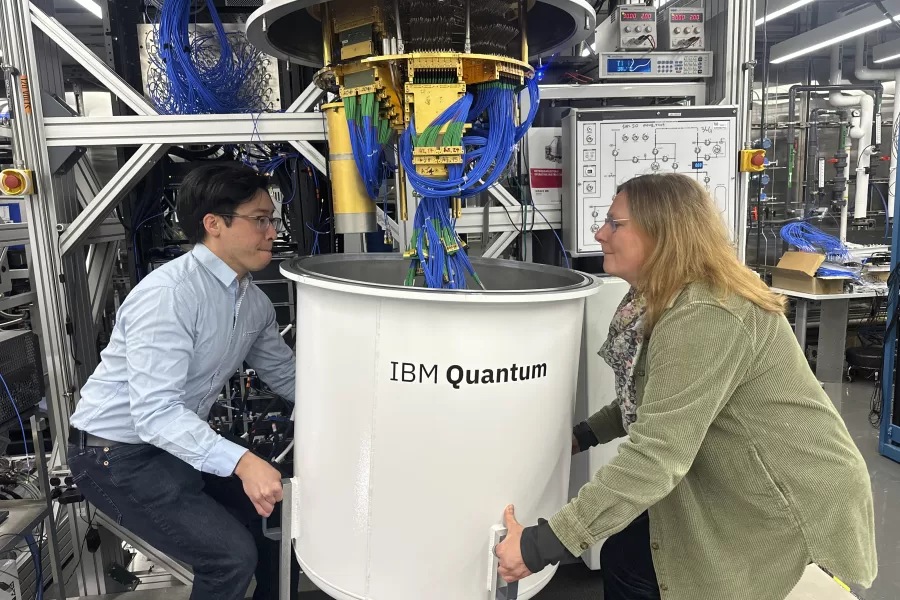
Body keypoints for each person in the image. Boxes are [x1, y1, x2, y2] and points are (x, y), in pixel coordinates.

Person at [495, 173, 877, 600]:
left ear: (663, 234)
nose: (599, 233)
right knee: (626, 555)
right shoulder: (661, 297)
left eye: (614, 224)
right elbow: (653, 399)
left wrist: (541, 545)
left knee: (647, 569)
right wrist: (582, 437)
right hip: (740, 475)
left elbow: (658, 453)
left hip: (784, 493)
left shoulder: (706, 313)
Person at [68, 162, 300, 600]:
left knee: (277, 523)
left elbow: (286, 375)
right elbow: (155, 414)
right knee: (229, 556)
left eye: (273, 219)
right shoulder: (170, 296)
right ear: (214, 224)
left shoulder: (252, 302)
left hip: (168, 447)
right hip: (112, 458)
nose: (272, 231)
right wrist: (244, 462)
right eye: (260, 220)